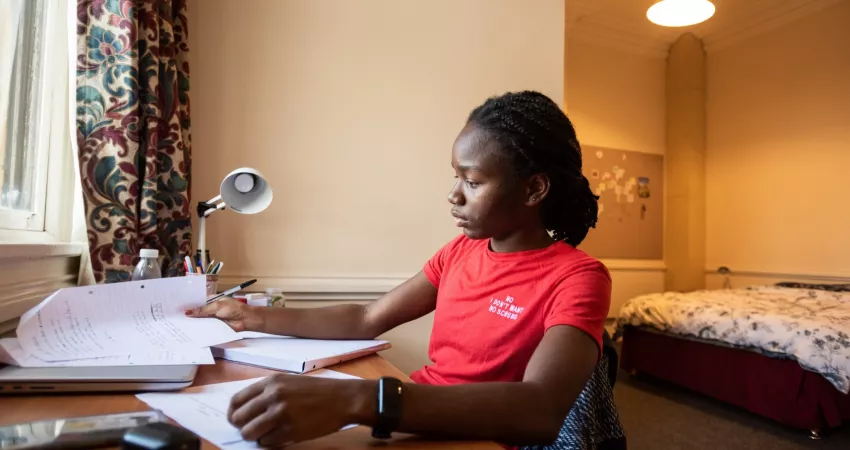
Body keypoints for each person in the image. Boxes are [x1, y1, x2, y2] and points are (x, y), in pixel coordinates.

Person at [186, 90, 624, 449]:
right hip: (409, 416)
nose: (454, 195)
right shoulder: (458, 253)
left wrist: (360, 398)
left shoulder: (577, 277)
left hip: (468, 436)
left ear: (534, 189)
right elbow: (366, 318)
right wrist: (251, 317)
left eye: (472, 181)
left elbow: (539, 409)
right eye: (455, 177)